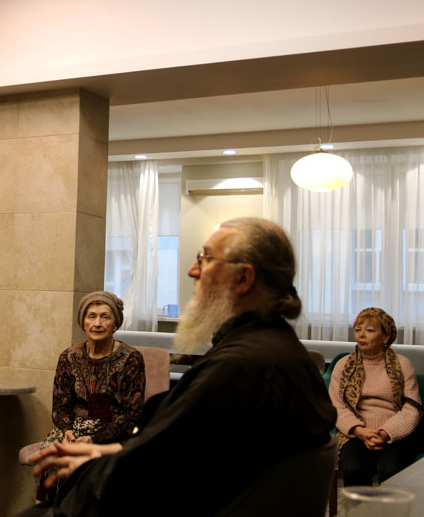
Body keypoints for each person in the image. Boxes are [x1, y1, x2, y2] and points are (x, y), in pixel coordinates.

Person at [27, 218, 337, 516]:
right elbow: (189, 450)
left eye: (205, 259)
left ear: (243, 278)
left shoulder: (241, 367)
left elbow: (159, 474)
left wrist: (98, 466)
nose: (192, 270)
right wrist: (111, 451)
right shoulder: (275, 347)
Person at [329, 307, 422, 485]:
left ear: (385, 337)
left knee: (391, 469)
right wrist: (359, 431)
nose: (361, 335)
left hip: (394, 432)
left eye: (370, 330)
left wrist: (385, 433)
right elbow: (336, 405)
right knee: (355, 467)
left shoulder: (403, 365)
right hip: (356, 432)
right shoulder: (343, 365)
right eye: (358, 329)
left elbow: (413, 408)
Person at [41, 291, 145, 449]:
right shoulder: (68, 357)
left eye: (105, 317)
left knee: (86, 459)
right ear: (83, 323)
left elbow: (132, 415)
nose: (97, 323)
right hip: (73, 433)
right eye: (91, 316)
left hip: (114, 436)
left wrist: (94, 439)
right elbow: (60, 408)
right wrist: (67, 431)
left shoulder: (131, 359)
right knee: (51, 456)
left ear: (115, 324)